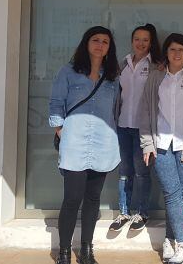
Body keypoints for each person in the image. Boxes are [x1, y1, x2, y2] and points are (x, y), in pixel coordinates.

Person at [49, 26, 121, 264]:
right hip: (75, 144)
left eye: (105, 42)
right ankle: (64, 251)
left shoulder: (112, 77)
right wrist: (62, 131)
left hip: (103, 143)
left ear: (110, 48)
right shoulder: (68, 72)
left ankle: (87, 249)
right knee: (72, 198)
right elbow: (56, 103)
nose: (100, 45)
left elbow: (116, 109)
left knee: (93, 199)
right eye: (96, 40)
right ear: (86, 43)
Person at [139, 33, 183, 264]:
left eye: (181, 50)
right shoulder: (156, 77)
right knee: (172, 192)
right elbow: (146, 111)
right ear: (166, 53)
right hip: (160, 145)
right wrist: (147, 142)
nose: (176, 54)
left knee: (177, 194)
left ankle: (169, 239)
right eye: (172, 49)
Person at [110, 24, 162, 233]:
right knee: (124, 172)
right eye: (137, 39)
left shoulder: (156, 66)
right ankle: (123, 212)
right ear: (132, 41)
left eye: (145, 40)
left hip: (144, 128)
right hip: (123, 125)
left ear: (151, 43)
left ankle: (141, 212)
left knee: (141, 172)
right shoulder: (124, 63)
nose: (140, 43)